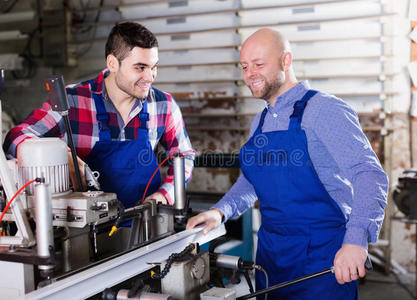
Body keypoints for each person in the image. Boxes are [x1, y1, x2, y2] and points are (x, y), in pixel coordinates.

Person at [187, 28, 388, 299]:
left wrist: (356, 240)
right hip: (271, 259)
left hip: (322, 260)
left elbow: (369, 174)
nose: (250, 74)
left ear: (286, 60)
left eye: (259, 64)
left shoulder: (324, 110)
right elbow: (252, 181)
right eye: (245, 67)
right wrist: (220, 211)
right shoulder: (259, 122)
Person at [3, 22, 195, 209]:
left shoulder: (164, 105)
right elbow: (14, 139)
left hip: (147, 224)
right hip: (88, 233)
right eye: (140, 67)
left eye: (154, 67)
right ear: (112, 63)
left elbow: (184, 156)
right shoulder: (72, 101)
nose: (150, 77)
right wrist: (61, 154)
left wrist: (164, 195)